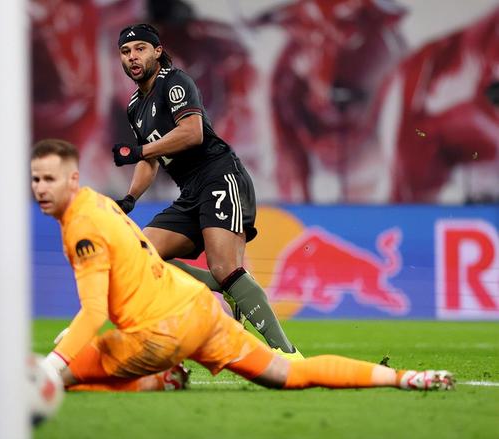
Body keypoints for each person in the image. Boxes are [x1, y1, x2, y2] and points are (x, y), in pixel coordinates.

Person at [31, 138, 454, 393]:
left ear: (72, 180)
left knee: (58, 379)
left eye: (49, 179)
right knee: (288, 375)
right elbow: (132, 265)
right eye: (35, 179)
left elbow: (95, 312)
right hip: (199, 312)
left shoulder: (82, 228)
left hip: (161, 332)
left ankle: (154, 378)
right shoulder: (100, 204)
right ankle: (405, 378)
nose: (40, 189)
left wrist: (54, 363)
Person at [110, 23, 302, 359]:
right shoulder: (134, 106)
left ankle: (288, 355)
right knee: (142, 255)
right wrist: (129, 199)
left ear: (157, 51)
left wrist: (139, 151)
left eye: (140, 49)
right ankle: (230, 288)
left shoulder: (174, 82)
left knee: (224, 267)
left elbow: (192, 133)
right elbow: (150, 160)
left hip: (220, 176)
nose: (132, 57)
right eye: (126, 52)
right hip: (189, 192)